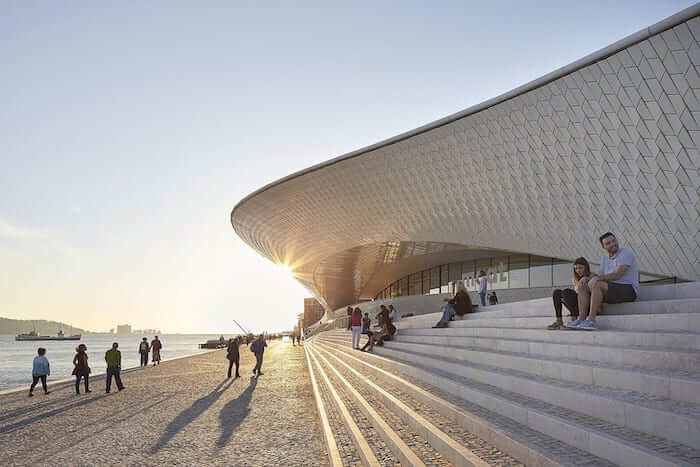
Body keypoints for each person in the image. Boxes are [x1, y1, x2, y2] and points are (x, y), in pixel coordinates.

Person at [571, 232, 639, 331]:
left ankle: (591, 320)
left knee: (597, 284)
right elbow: (599, 275)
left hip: (628, 290)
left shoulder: (626, 253)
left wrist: (597, 278)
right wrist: (587, 278)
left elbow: (618, 274)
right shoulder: (604, 258)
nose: (612, 244)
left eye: (613, 241)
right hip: (611, 289)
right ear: (603, 247)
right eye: (608, 243)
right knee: (583, 284)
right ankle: (581, 319)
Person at [547, 257, 593, 330]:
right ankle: (559, 321)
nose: (578, 270)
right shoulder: (575, 279)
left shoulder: (592, 276)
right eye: (576, 268)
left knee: (566, 292)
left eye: (580, 268)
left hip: (587, 307)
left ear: (586, 267)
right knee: (557, 292)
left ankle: (574, 319)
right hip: (578, 306)